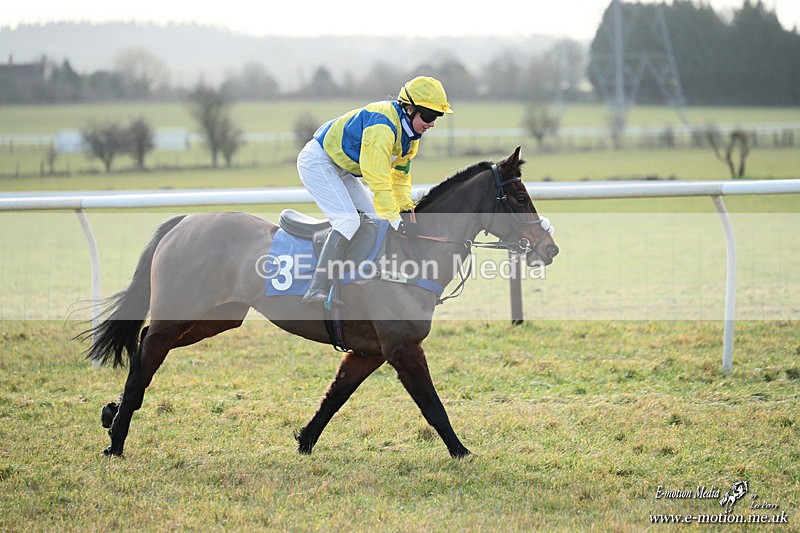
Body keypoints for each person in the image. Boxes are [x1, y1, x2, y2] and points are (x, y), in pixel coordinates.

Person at [297, 75, 453, 303]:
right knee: (348, 221)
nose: (431, 123)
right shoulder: (382, 127)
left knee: (374, 220)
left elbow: (399, 178)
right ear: (409, 109)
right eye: (428, 116)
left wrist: (404, 210)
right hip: (318, 161)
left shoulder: (411, 137)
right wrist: (394, 218)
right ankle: (316, 287)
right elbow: (378, 180)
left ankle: (362, 282)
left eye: (436, 117)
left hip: (341, 167)